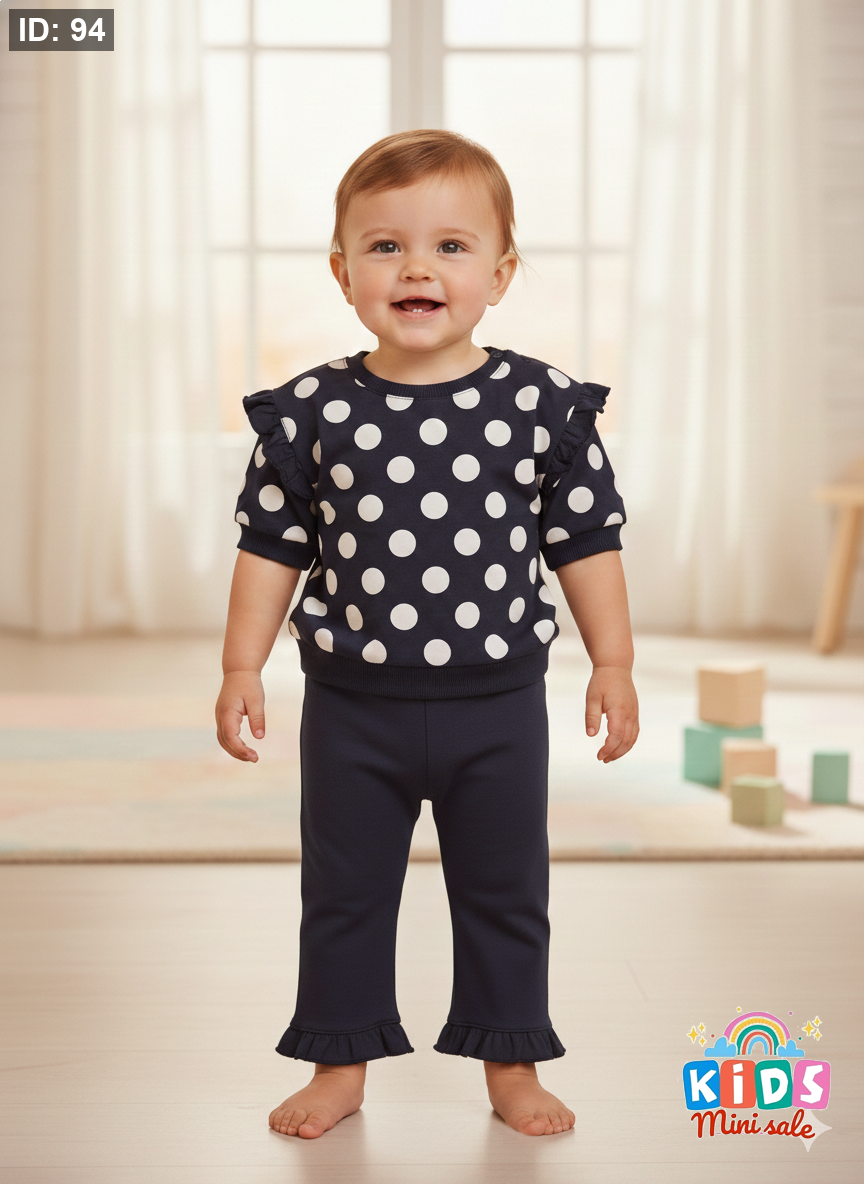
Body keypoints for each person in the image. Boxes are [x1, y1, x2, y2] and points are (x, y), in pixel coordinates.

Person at [215, 129, 639, 1141]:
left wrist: (614, 660)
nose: (417, 269)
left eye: (450, 246)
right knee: (345, 893)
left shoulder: (541, 406)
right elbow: (270, 548)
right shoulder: (311, 412)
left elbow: (586, 542)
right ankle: (338, 1061)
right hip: (351, 709)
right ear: (343, 273)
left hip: (499, 707)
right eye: (386, 247)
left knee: (505, 891)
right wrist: (241, 664)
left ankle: (511, 1060)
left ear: (499, 274)